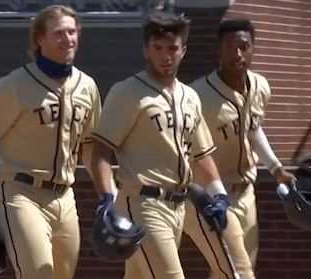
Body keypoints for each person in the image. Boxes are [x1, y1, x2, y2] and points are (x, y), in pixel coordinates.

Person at [0, 5, 102, 279]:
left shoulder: (87, 87)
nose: (68, 39)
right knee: (37, 274)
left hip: (65, 196)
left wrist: (107, 195)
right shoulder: (16, 84)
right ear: (40, 39)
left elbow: (89, 146)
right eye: (59, 33)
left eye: (72, 32)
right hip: (21, 192)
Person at [90, 11, 229, 279]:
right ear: (146, 50)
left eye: (173, 48)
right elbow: (101, 151)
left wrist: (220, 196)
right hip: (141, 204)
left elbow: (201, 156)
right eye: (158, 48)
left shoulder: (190, 96)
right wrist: (106, 198)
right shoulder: (127, 91)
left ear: (183, 50)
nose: (166, 55)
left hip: (178, 205)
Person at [185, 18, 296, 279]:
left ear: (253, 48)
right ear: (218, 50)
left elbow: (252, 128)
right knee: (238, 272)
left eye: (244, 46)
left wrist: (275, 167)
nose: (237, 54)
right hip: (212, 196)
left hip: (246, 192)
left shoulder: (259, 86)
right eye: (230, 47)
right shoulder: (196, 96)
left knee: (231, 270)